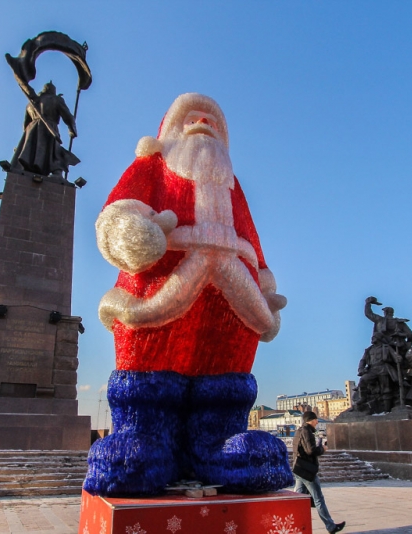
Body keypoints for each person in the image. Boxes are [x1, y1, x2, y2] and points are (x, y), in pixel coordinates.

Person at [84, 93, 291, 496]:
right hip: (160, 288)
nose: (204, 122)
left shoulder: (234, 186)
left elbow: (251, 237)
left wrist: (265, 283)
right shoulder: (151, 167)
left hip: (234, 302)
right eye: (192, 117)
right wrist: (130, 234)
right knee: (147, 373)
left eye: (214, 120)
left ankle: (220, 443)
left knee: (225, 379)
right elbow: (118, 212)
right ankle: (142, 439)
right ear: (167, 132)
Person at [10, 81, 80, 177]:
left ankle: (30, 167)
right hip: (49, 127)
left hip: (31, 130)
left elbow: (25, 124)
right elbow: (67, 116)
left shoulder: (31, 104)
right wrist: (72, 129)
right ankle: (57, 172)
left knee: (33, 150)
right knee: (54, 151)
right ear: (53, 91)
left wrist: (28, 135)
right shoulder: (56, 99)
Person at [292, 412, 346, 533]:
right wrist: (322, 449)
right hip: (307, 471)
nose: (317, 422)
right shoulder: (307, 431)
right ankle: (330, 526)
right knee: (318, 499)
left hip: (299, 469)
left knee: (298, 499)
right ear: (310, 420)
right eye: (316, 420)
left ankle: (292, 524)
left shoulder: (299, 431)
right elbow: (310, 451)